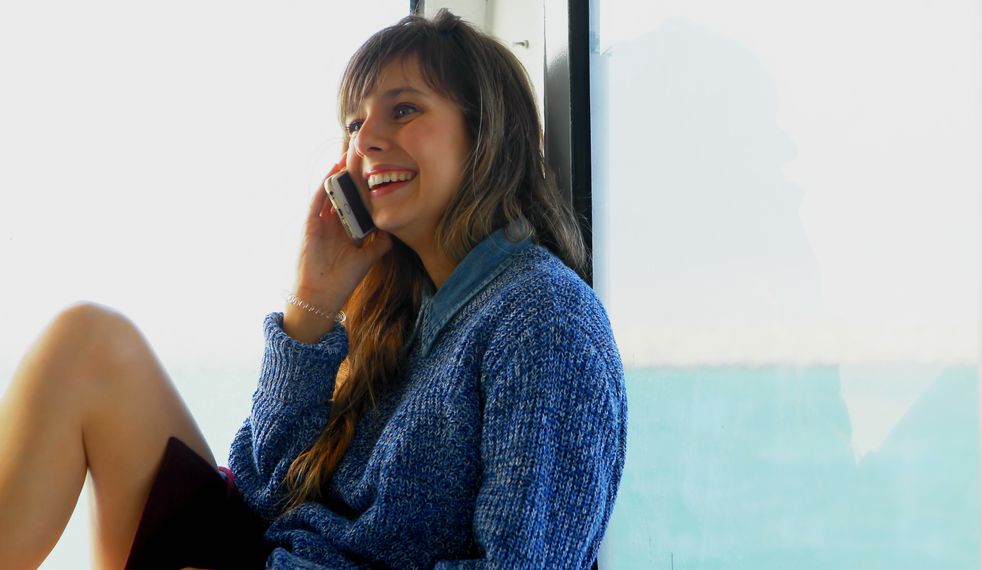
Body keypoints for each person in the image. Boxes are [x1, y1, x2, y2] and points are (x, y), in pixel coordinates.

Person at [0, 9, 627, 569]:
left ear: (484, 132)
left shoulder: (544, 320)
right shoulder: (402, 314)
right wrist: (313, 306)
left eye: (403, 110)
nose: (366, 141)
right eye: (355, 124)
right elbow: (264, 492)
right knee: (87, 342)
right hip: (265, 554)